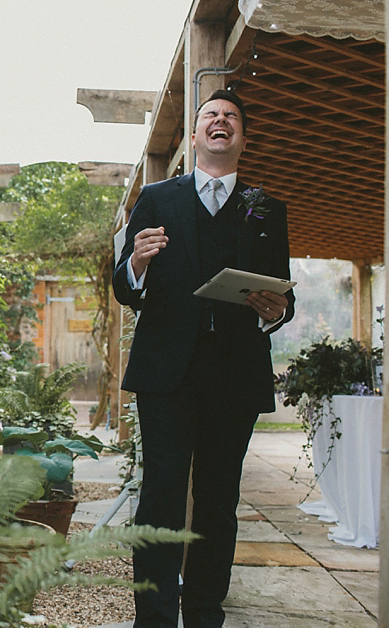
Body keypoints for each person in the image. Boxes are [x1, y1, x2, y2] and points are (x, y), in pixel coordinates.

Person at [112, 89, 295, 628]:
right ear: (194, 136)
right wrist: (138, 265)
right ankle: (155, 616)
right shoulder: (157, 196)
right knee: (162, 496)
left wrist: (273, 308)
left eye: (231, 117)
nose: (221, 122)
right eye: (210, 116)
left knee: (218, 500)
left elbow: (283, 299)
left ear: (242, 137)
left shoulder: (265, 207)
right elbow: (125, 286)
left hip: (235, 375)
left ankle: (206, 613)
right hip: (168, 374)